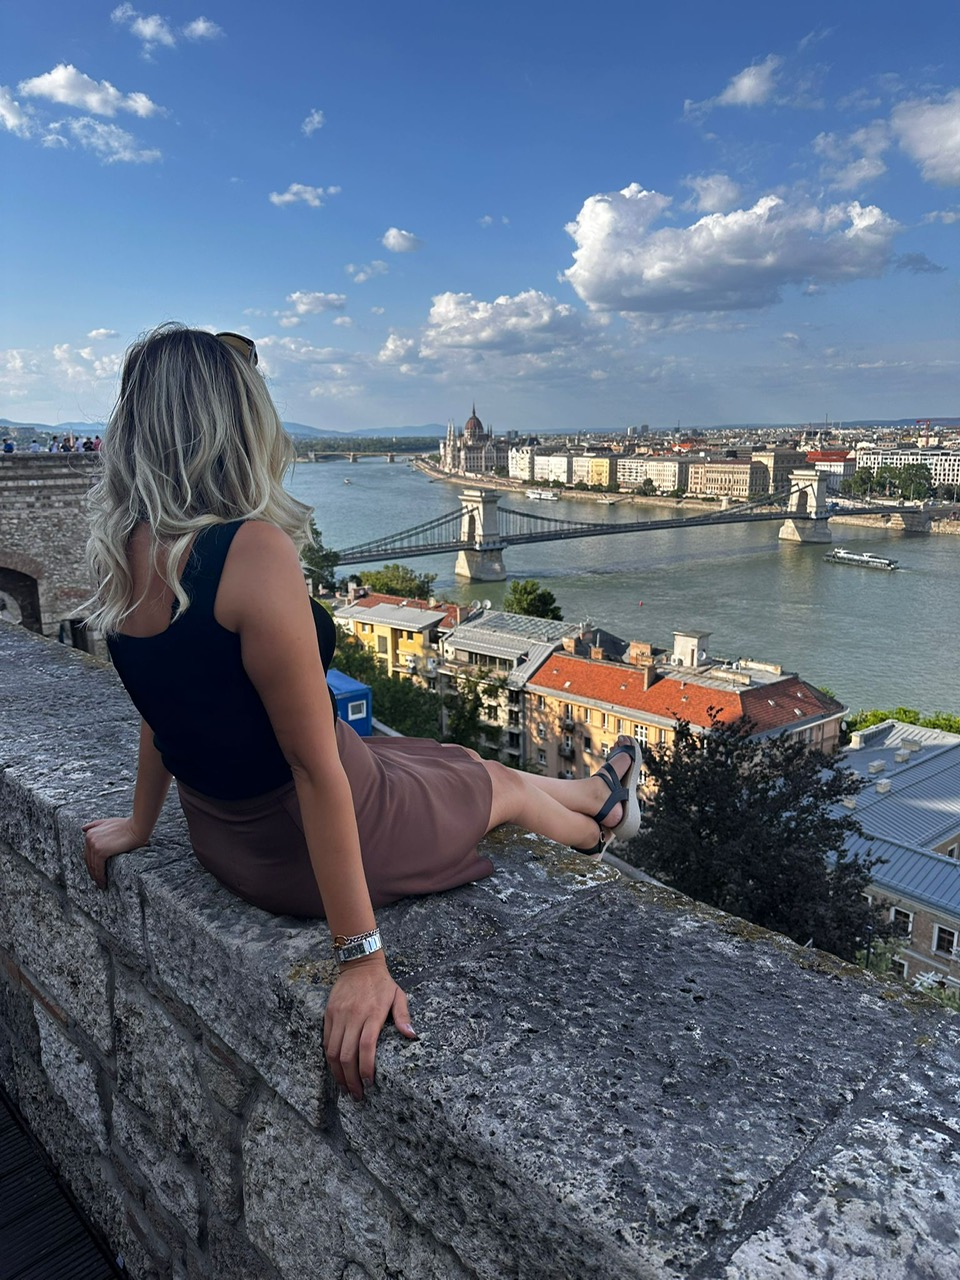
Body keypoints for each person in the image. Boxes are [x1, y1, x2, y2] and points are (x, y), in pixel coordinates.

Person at [82, 325, 642, 1101]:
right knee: (497, 786)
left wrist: (139, 825)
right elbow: (313, 770)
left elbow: (163, 710)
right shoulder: (251, 551)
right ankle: (600, 828)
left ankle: (593, 792)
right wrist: (361, 958)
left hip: (222, 837)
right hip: (305, 841)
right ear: (237, 423)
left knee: (448, 759)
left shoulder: (124, 552)